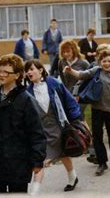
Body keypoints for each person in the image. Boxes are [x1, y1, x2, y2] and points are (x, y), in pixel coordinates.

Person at [0, 54, 46, 193]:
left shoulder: (26, 100)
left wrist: (37, 161)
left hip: (18, 163)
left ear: (18, 75)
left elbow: (36, 133)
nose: (1, 75)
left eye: (6, 72)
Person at [25, 59, 82, 193]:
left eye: (31, 69)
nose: (28, 72)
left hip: (57, 125)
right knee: (39, 159)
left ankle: (72, 177)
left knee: (63, 153)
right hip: (41, 130)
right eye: (26, 70)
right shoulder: (27, 92)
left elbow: (69, 101)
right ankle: (34, 192)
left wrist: (76, 118)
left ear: (40, 70)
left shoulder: (54, 83)